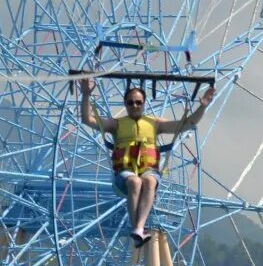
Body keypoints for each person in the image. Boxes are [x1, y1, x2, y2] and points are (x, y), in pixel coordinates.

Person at [80, 78, 215, 246]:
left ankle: (138, 228)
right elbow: (88, 120)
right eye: (130, 103)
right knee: (135, 182)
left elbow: (187, 124)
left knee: (149, 181)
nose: (134, 105)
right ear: (126, 104)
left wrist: (203, 105)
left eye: (138, 102)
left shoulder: (155, 123)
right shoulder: (116, 124)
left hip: (148, 170)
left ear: (144, 103)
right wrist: (86, 94)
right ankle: (136, 227)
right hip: (125, 173)